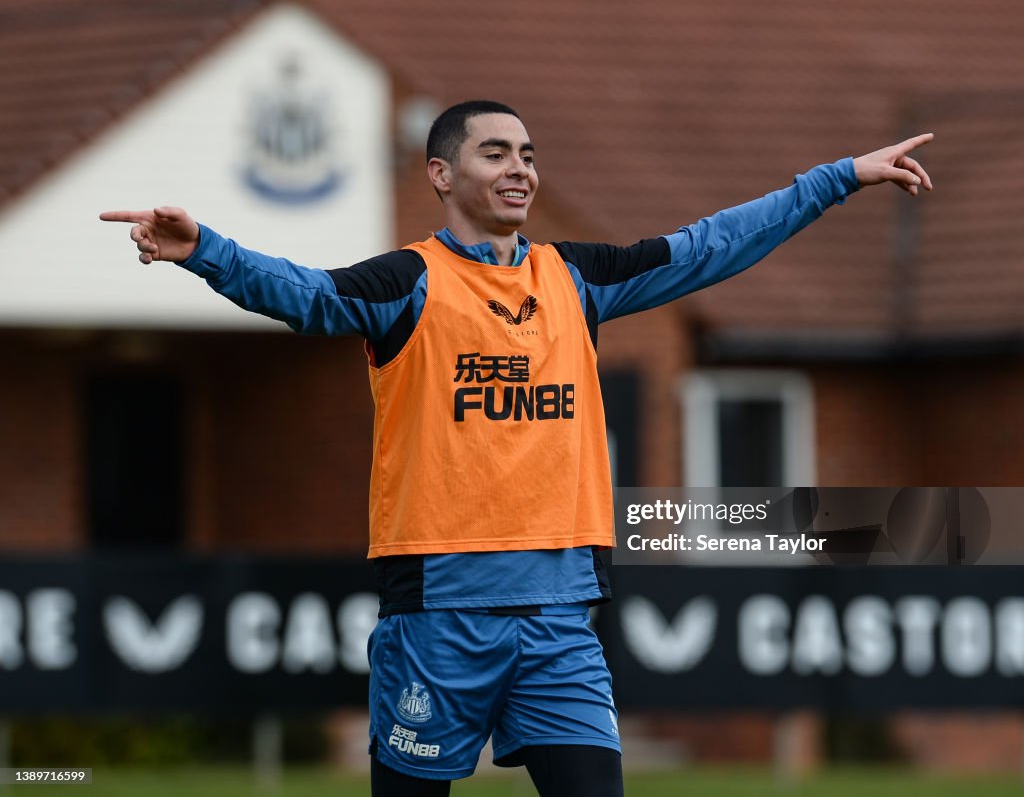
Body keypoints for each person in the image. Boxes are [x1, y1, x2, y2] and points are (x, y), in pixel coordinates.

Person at [101, 100, 933, 796]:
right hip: (437, 610)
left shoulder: (576, 278)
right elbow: (310, 296)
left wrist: (836, 179)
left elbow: (709, 245)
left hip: (561, 616)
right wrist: (206, 252)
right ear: (440, 174)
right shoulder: (408, 281)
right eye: (494, 152)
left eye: (528, 155)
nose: (519, 169)